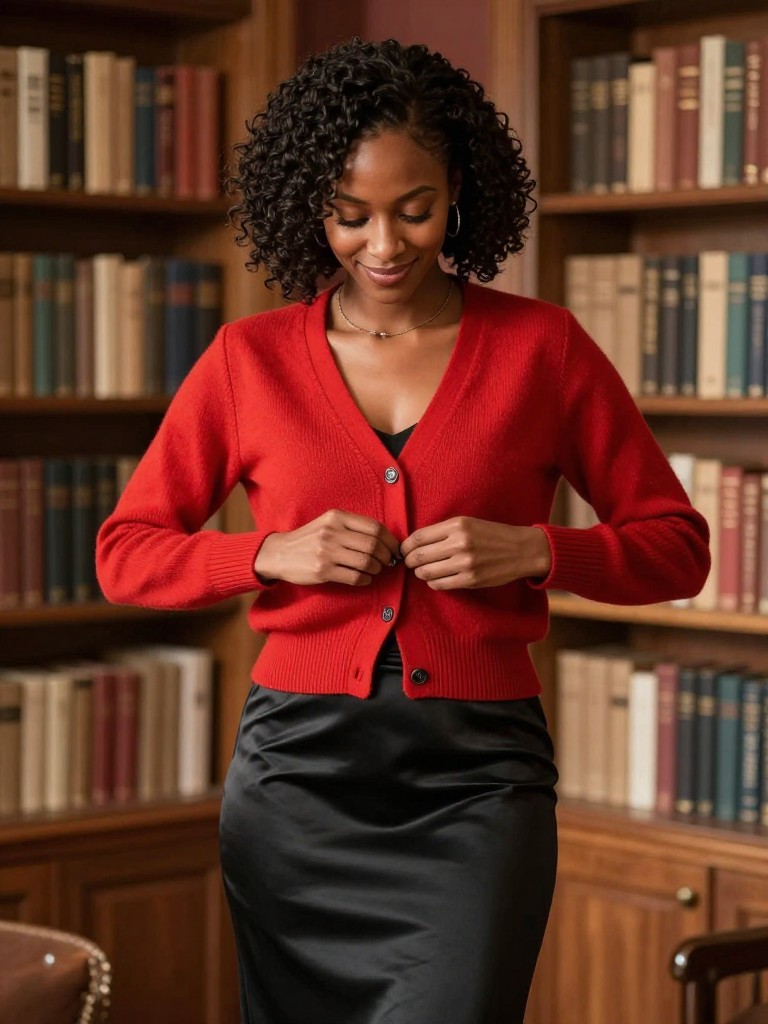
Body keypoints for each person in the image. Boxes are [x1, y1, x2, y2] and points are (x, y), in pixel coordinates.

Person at [95, 37, 711, 1024]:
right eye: (351, 214)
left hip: (478, 779)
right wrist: (266, 553)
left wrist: (539, 550)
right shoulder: (248, 360)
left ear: (460, 190)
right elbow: (125, 552)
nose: (382, 244)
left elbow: (678, 545)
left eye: (414, 209)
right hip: (296, 780)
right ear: (311, 207)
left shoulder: (543, 348)